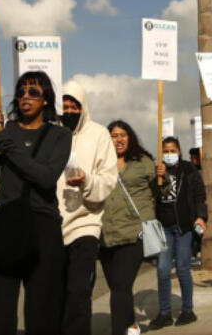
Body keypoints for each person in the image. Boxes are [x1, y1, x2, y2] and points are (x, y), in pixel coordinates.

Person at [0, 71, 72, 335]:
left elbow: (44, 177)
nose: (25, 97)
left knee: (42, 311)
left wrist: (7, 144)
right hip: (6, 224)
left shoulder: (59, 135)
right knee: (0, 311)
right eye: (21, 91)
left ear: (46, 99)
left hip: (42, 226)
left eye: (33, 92)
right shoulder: (4, 131)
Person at [57, 80, 119, 335]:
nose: (69, 111)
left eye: (75, 106)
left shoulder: (98, 134)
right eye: (65, 105)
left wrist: (87, 181)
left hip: (85, 222)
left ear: (83, 107)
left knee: (79, 292)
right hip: (53, 225)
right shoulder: (51, 134)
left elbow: (108, 178)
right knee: (56, 292)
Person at [99, 120, 156, 335]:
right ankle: (131, 324)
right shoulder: (101, 162)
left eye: (122, 135)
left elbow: (162, 190)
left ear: (129, 137)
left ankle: (119, 330)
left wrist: (162, 178)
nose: (119, 139)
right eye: (114, 135)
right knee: (118, 288)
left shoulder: (143, 162)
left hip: (134, 232)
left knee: (121, 286)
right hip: (106, 233)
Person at [151, 136, 206, 329]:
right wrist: (158, 177)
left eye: (172, 150)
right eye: (165, 151)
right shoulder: (157, 171)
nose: (169, 154)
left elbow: (200, 195)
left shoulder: (188, 170)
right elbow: (152, 196)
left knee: (183, 267)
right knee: (162, 269)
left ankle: (188, 310)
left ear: (179, 152)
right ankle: (164, 313)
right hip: (163, 227)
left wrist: (201, 216)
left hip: (183, 227)